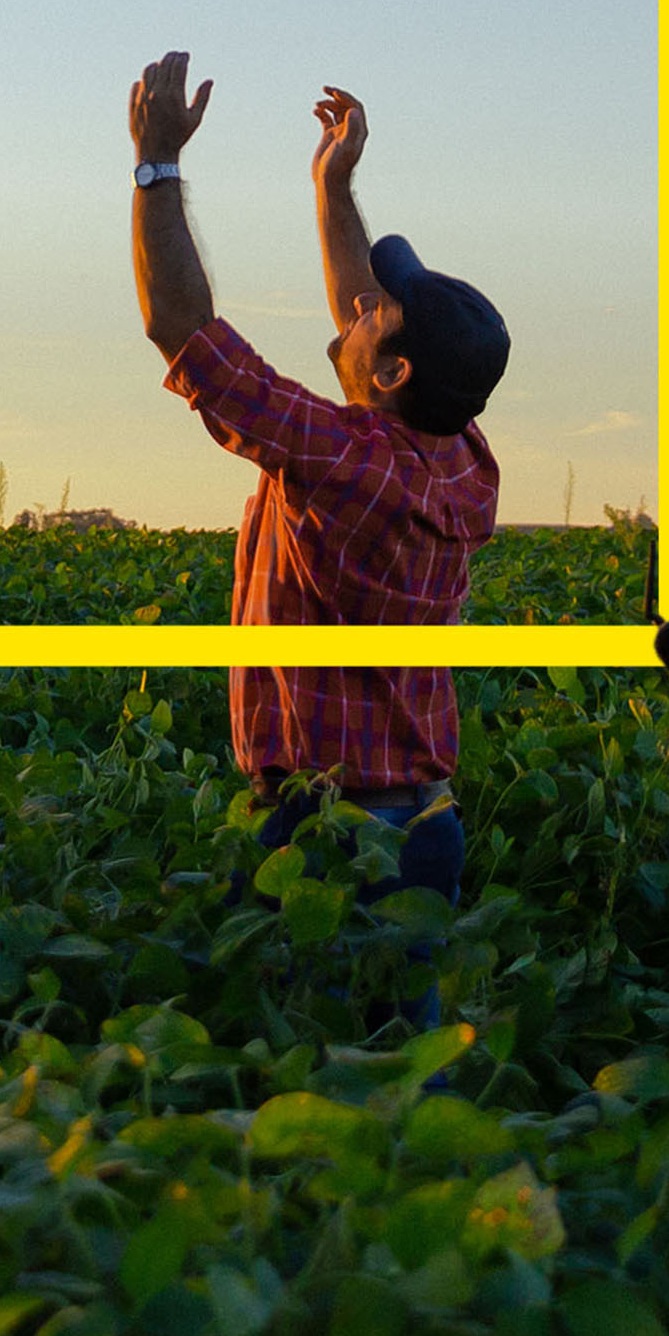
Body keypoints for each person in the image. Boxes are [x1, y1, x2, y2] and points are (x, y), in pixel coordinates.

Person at [126, 52, 508, 990]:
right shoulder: (461, 456)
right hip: (421, 822)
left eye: (378, 314)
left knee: (313, 1076)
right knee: (400, 1082)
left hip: (337, 831)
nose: (360, 305)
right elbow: (360, 332)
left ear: (390, 376)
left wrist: (156, 165)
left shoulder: (351, 462)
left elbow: (184, 332)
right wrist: (334, 187)